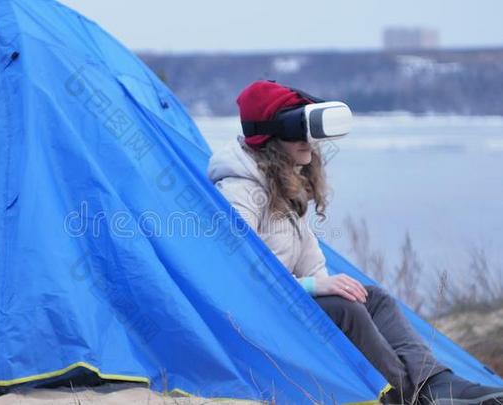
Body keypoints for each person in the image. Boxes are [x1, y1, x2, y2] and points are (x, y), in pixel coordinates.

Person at [206, 80, 503, 405]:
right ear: (271, 136)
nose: (310, 140)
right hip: (258, 314)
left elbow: (311, 263)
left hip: (285, 303)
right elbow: (239, 271)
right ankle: (407, 395)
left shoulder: (284, 181)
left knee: (373, 299)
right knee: (346, 309)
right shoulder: (240, 189)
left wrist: (321, 281)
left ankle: (437, 383)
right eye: (299, 127)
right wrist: (309, 286)